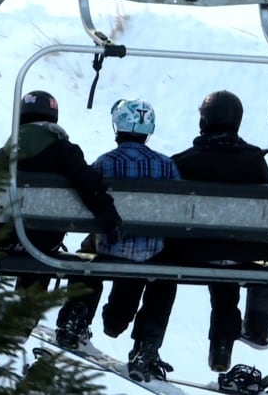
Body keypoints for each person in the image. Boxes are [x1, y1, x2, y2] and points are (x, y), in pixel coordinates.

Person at [55, 98, 181, 382]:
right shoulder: (167, 166)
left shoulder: (104, 163)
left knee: (85, 257)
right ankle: (146, 346)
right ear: (149, 130)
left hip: (110, 250)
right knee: (163, 281)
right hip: (151, 253)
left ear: (117, 127)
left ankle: (76, 317)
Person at [169, 90, 268, 372]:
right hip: (244, 252)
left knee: (211, 258)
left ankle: (150, 342)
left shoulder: (184, 161)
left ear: (205, 121)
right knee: (227, 266)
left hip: (193, 252)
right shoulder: (254, 161)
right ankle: (222, 344)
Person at [0, 90, 122, 310]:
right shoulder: (64, 151)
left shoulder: (2, 154)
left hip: (2, 241)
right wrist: (110, 217)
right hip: (41, 243)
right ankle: (24, 315)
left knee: (32, 235)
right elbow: (89, 185)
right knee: (43, 240)